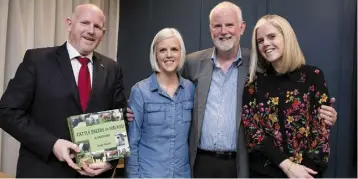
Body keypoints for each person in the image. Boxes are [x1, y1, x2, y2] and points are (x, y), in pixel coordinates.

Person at [126, 1, 338, 178]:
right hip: (200, 162)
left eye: (229, 25)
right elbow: (171, 93)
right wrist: (137, 110)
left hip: (240, 163)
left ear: (242, 28)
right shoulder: (191, 63)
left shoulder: (258, 64)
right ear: (210, 29)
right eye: (217, 26)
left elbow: (287, 92)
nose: (224, 31)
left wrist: (323, 114)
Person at [0, 4, 126, 178]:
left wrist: (110, 161)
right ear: (69, 24)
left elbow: (120, 118)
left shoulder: (112, 69)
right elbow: (6, 112)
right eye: (85, 23)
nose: (91, 31)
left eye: (97, 26)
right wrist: (52, 144)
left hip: (93, 174)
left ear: (102, 34)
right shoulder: (37, 61)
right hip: (44, 172)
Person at [242, 14, 333, 178]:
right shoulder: (253, 84)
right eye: (260, 41)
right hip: (266, 172)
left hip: (307, 173)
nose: (266, 44)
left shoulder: (313, 76)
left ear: (287, 37)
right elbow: (253, 132)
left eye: (271, 36)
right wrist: (287, 165)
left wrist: (306, 171)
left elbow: (321, 129)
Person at [125, 28, 194, 178]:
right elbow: (132, 143)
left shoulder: (190, 89)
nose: (169, 55)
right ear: (155, 54)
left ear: (181, 53)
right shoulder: (140, 91)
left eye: (174, 49)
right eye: (162, 50)